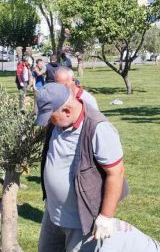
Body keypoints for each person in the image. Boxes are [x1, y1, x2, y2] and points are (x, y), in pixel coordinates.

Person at [35, 83, 128, 252]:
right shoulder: (59, 123)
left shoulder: (98, 129)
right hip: (53, 213)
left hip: (81, 222)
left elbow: (116, 173)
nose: (48, 122)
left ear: (67, 111)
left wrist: (106, 216)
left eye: (51, 117)